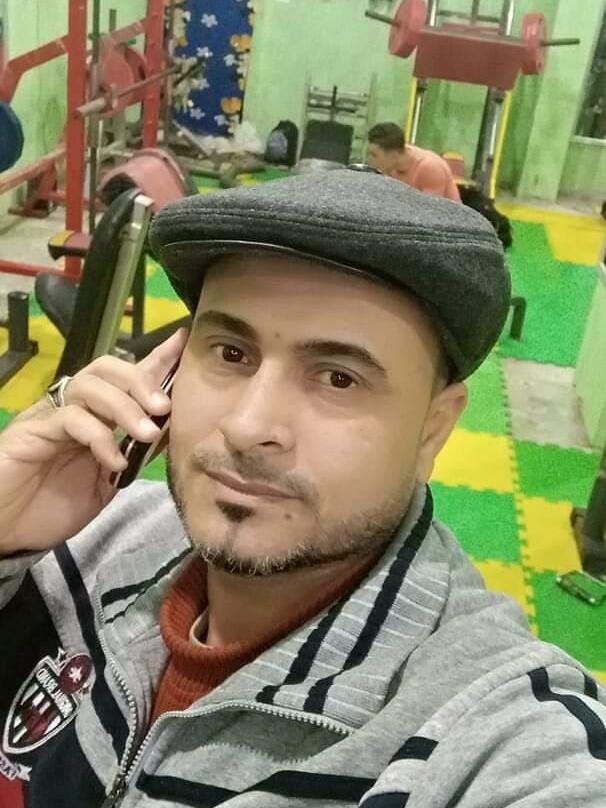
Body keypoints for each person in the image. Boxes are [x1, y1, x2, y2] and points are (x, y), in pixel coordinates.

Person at [0, 168, 604, 808]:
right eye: (231, 352)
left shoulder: (483, 728)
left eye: (339, 378)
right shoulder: (89, 533)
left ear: (432, 429)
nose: (248, 427)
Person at [367, 122, 461, 202]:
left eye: (374, 155)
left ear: (394, 155)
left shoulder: (429, 167)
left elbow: (431, 210)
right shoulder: (390, 167)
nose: (369, 160)